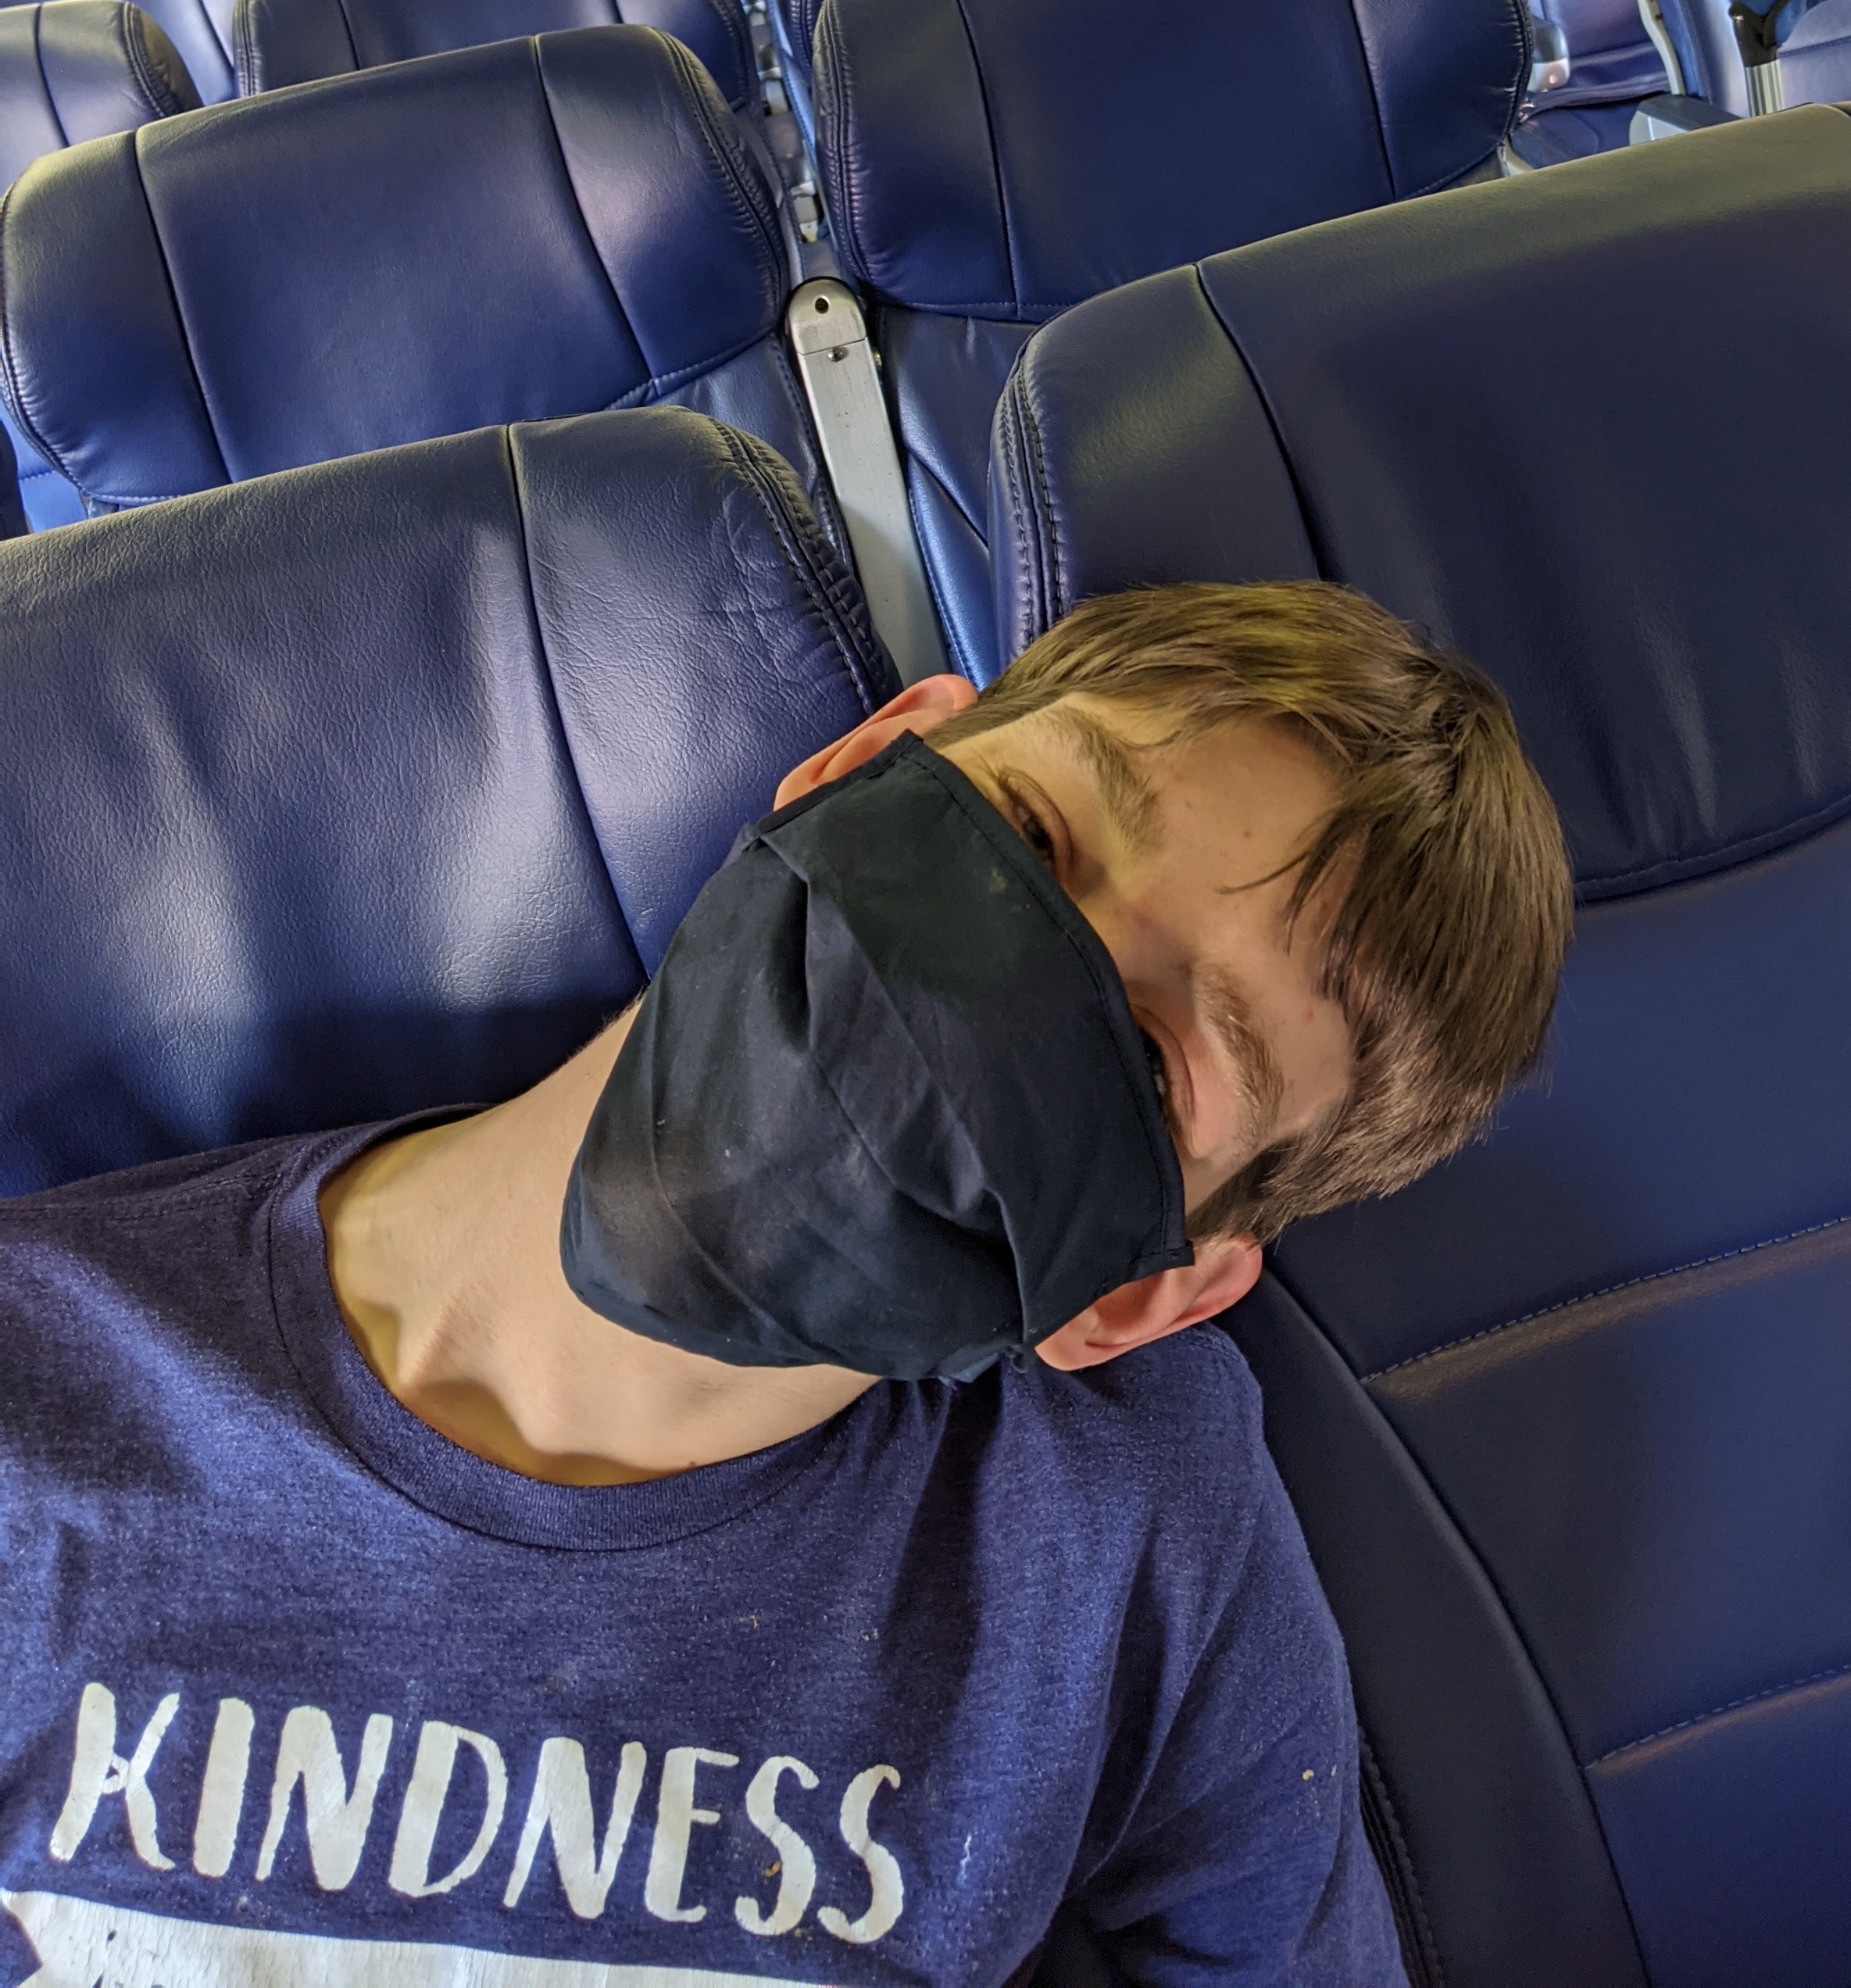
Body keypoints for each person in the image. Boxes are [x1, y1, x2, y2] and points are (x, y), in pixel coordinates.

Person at [0, 582, 1570, 1986]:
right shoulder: (36, 1379)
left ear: (1134, 1298)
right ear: (863, 763)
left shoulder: (1127, 1527)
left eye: (1149, 1065)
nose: (995, 980)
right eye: (1026, 841)